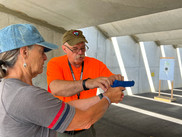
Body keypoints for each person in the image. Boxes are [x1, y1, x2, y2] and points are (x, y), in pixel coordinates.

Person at [0, 24, 124, 137]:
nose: (45, 57)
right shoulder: (27, 95)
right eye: (41, 51)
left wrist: (103, 95)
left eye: (82, 48)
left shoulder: (9, 88)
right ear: (25, 52)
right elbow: (84, 120)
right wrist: (108, 98)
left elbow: (61, 107)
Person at [47, 29, 125, 136]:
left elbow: (115, 85)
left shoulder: (96, 64)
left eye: (83, 48)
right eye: (75, 49)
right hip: (62, 128)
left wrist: (116, 81)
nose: (80, 53)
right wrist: (87, 83)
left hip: (87, 127)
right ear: (64, 49)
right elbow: (56, 89)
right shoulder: (55, 63)